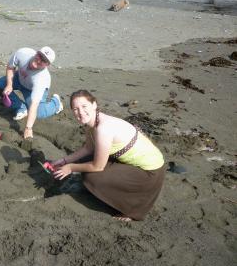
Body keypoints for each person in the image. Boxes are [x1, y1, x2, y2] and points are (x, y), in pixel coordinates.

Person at [51, 90, 166, 221]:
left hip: (150, 173)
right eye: (75, 109)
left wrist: (70, 168)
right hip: (142, 163)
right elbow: (88, 148)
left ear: (94, 104)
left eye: (84, 106)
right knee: (85, 160)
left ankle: (132, 210)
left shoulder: (103, 128)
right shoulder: (92, 122)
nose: (80, 112)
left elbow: (97, 167)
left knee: (92, 177)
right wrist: (64, 160)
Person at [0, 46, 63, 139]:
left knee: (38, 112)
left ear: (47, 65)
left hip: (32, 89)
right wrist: (9, 84)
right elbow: (10, 68)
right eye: (40, 56)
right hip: (19, 78)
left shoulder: (41, 79)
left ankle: (56, 103)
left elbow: (34, 104)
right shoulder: (23, 53)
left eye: (44, 60)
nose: (39, 60)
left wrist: (28, 128)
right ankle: (21, 107)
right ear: (36, 53)